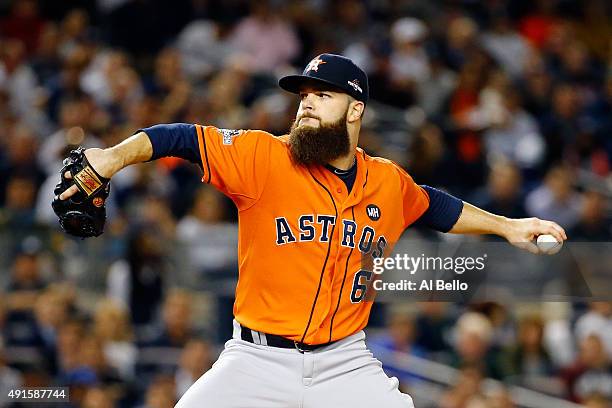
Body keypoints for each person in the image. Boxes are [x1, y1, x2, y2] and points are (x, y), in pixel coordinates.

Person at [57, 54, 567, 407]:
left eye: (323, 95)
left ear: (356, 109)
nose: (305, 103)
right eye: (303, 95)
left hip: (345, 362)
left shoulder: (386, 181)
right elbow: (179, 138)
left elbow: (434, 205)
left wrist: (509, 227)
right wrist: (111, 157)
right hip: (255, 360)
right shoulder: (265, 157)